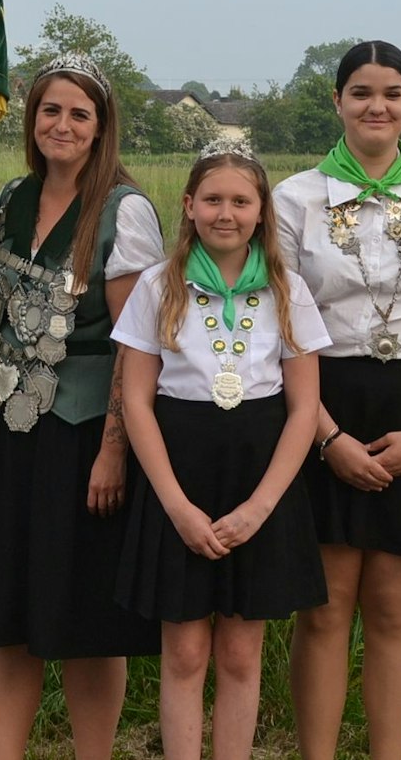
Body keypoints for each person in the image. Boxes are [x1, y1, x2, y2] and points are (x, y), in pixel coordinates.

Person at [275, 41, 401, 760]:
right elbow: (279, 336)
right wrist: (327, 438)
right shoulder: (293, 200)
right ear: (337, 101)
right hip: (319, 409)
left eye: (392, 93)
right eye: (361, 92)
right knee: (325, 611)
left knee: (396, 611)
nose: (377, 106)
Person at [0, 52, 164, 760]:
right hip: (1, 430)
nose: (63, 125)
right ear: (32, 118)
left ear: (101, 126)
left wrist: (114, 450)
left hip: (82, 436)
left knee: (87, 618)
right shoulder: (12, 197)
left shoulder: (125, 210)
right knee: (6, 609)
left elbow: (136, 346)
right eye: (51, 110)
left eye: (79, 113)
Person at [112, 142, 329, 760]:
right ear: (189, 205)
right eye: (212, 200)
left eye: (240, 201)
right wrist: (176, 506)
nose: (225, 213)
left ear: (261, 211)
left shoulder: (287, 290)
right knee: (183, 652)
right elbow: (136, 402)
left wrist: (261, 507)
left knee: (239, 652)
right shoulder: (158, 285)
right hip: (178, 478)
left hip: (258, 480)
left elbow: (304, 409)